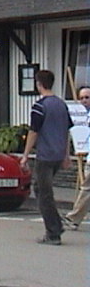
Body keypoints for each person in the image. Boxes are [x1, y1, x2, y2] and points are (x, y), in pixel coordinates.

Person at [20, 70, 72, 245]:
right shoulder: (62, 105)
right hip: (58, 154)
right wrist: (66, 155)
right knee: (42, 189)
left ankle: (53, 231)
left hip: (45, 155)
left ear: (38, 84)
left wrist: (25, 155)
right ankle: (55, 225)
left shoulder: (40, 106)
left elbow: (33, 131)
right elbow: (66, 131)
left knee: (44, 194)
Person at [62, 85, 90, 230]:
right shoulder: (78, 117)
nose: (84, 101)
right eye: (81, 98)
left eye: (87, 97)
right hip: (88, 156)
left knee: (87, 189)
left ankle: (73, 218)